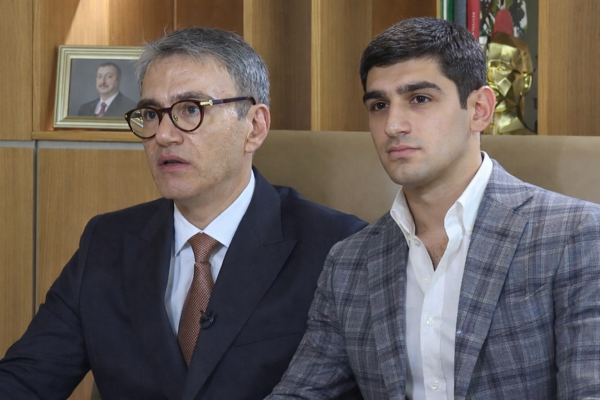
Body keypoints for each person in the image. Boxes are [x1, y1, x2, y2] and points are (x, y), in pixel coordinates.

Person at [0, 28, 367, 399]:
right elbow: (27, 379)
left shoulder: (338, 248)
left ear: (254, 127)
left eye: (191, 109)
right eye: (151, 114)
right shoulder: (106, 242)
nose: (164, 135)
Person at [268, 17, 600, 400]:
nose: (393, 125)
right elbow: (302, 391)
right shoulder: (349, 262)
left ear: (479, 109)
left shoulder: (576, 234)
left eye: (419, 99)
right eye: (379, 105)